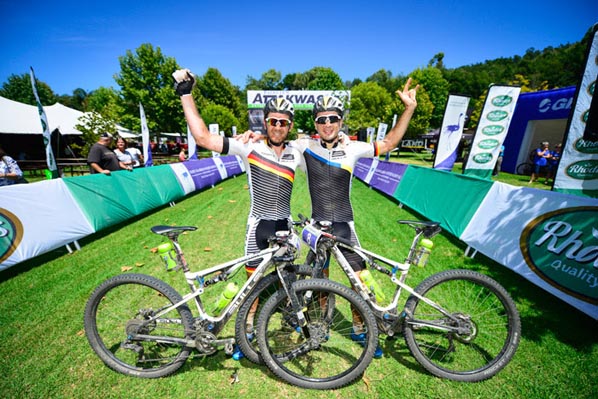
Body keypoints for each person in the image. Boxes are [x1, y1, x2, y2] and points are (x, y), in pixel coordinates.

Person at [245, 82, 418, 358]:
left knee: (359, 279)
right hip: (317, 226)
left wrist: (408, 109)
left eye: (333, 118)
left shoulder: (353, 148)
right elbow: (275, 141)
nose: (327, 124)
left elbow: (388, 143)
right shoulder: (304, 146)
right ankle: (319, 323)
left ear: (340, 120)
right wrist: (254, 135)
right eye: (321, 119)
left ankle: (361, 329)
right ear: (315, 123)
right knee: (320, 279)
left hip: (344, 225)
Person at [173, 68, 303, 359]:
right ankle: (243, 336)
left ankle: (289, 321)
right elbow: (204, 137)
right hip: (259, 227)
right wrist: (186, 95)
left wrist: (342, 136)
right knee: (250, 285)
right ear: (265, 122)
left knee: (289, 279)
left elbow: (329, 143)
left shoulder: (298, 151)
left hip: (285, 226)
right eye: (273, 121)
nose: (278, 126)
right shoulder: (249, 147)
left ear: (290, 125)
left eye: (283, 122)